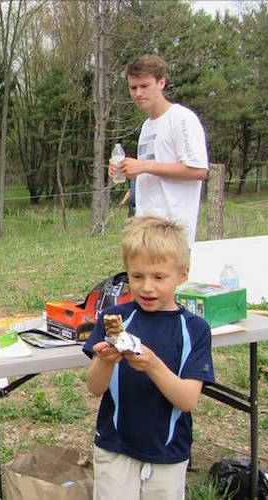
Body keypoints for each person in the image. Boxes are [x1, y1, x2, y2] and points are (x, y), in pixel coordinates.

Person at [84, 215, 214, 500]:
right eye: (137, 276)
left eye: (159, 277)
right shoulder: (112, 319)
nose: (146, 287)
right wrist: (106, 361)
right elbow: (94, 388)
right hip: (114, 447)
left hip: (168, 452)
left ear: (182, 274)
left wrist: (153, 366)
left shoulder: (195, 330)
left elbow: (187, 399)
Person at [110, 55, 208, 246]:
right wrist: (126, 170)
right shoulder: (147, 126)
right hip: (145, 231)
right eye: (133, 88)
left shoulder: (181, 119)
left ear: (161, 82)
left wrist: (144, 166)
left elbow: (199, 171)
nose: (138, 93)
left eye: (144, 86)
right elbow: (152, 172)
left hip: (173, 234)